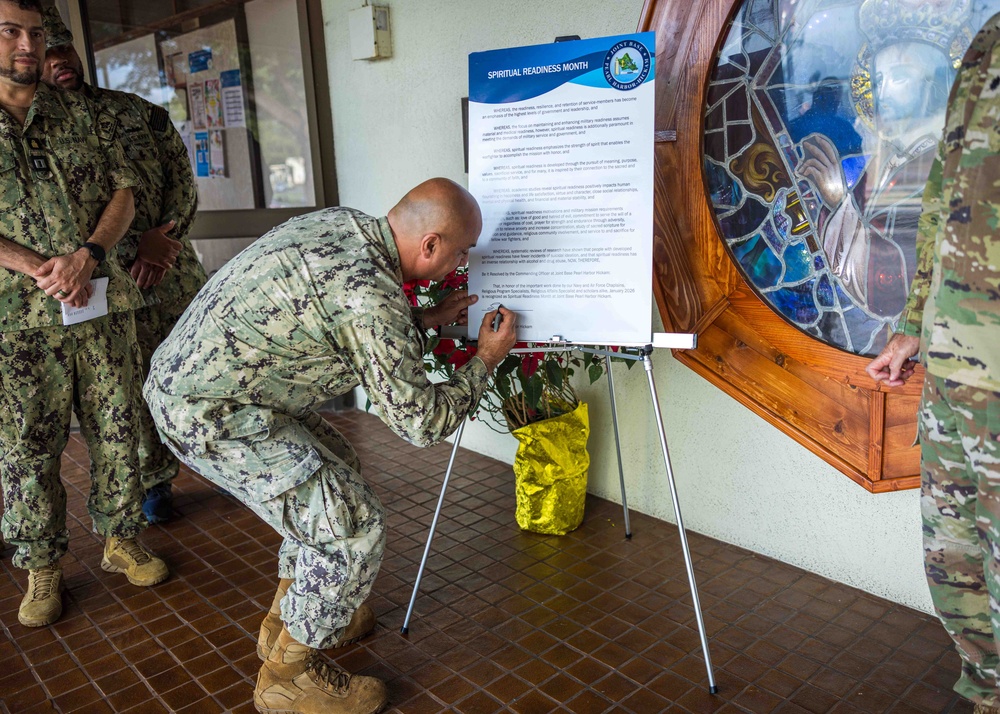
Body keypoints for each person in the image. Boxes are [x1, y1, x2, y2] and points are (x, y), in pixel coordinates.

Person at [144, 178, 517, 714]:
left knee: (335, 468)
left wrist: (423, 321)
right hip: (211, 413)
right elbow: (421, 422)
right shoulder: (371, 297)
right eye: (460, 251)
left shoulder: (347, 227)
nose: (462, 263)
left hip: (218, 388)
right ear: (429, 244)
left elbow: (345, 321)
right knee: (351, 527)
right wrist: (485, 359)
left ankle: (289, 619)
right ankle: (287, 676)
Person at [0, 0, 168, 629]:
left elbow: (125, 192)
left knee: (118, 423)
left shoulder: (82, 114)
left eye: (34, 33)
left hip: (98, 304)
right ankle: (42, 565)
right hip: (16, 320)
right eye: (11, 31)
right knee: (26, 445)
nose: (26, 44)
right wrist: (39, 267)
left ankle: (122, 537)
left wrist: (88, 255)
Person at [866, 12, 1000, 713]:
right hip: (954, 364)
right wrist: (915, 322)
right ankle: (986, 692)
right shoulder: (987, 41)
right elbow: (944, 196)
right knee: (956, 564)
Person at [40, 7, 208, 524]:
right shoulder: (34, 131)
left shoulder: (136, 111)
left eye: (63, 49)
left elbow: (182, 178)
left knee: (192, 373)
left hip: (168, 275)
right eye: (45, 55)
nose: (59, 61)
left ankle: (223, 462)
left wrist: (166, 237)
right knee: (125, 392)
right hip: (104, 287)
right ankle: (153, 481)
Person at [796, 0, 966, 326]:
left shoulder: (945, 166)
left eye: (899, 77)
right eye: (879, 80)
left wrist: (838, 200)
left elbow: (896, 282)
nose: (883, 92)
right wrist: (829, 200)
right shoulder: (884, 161)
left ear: (937, 86)